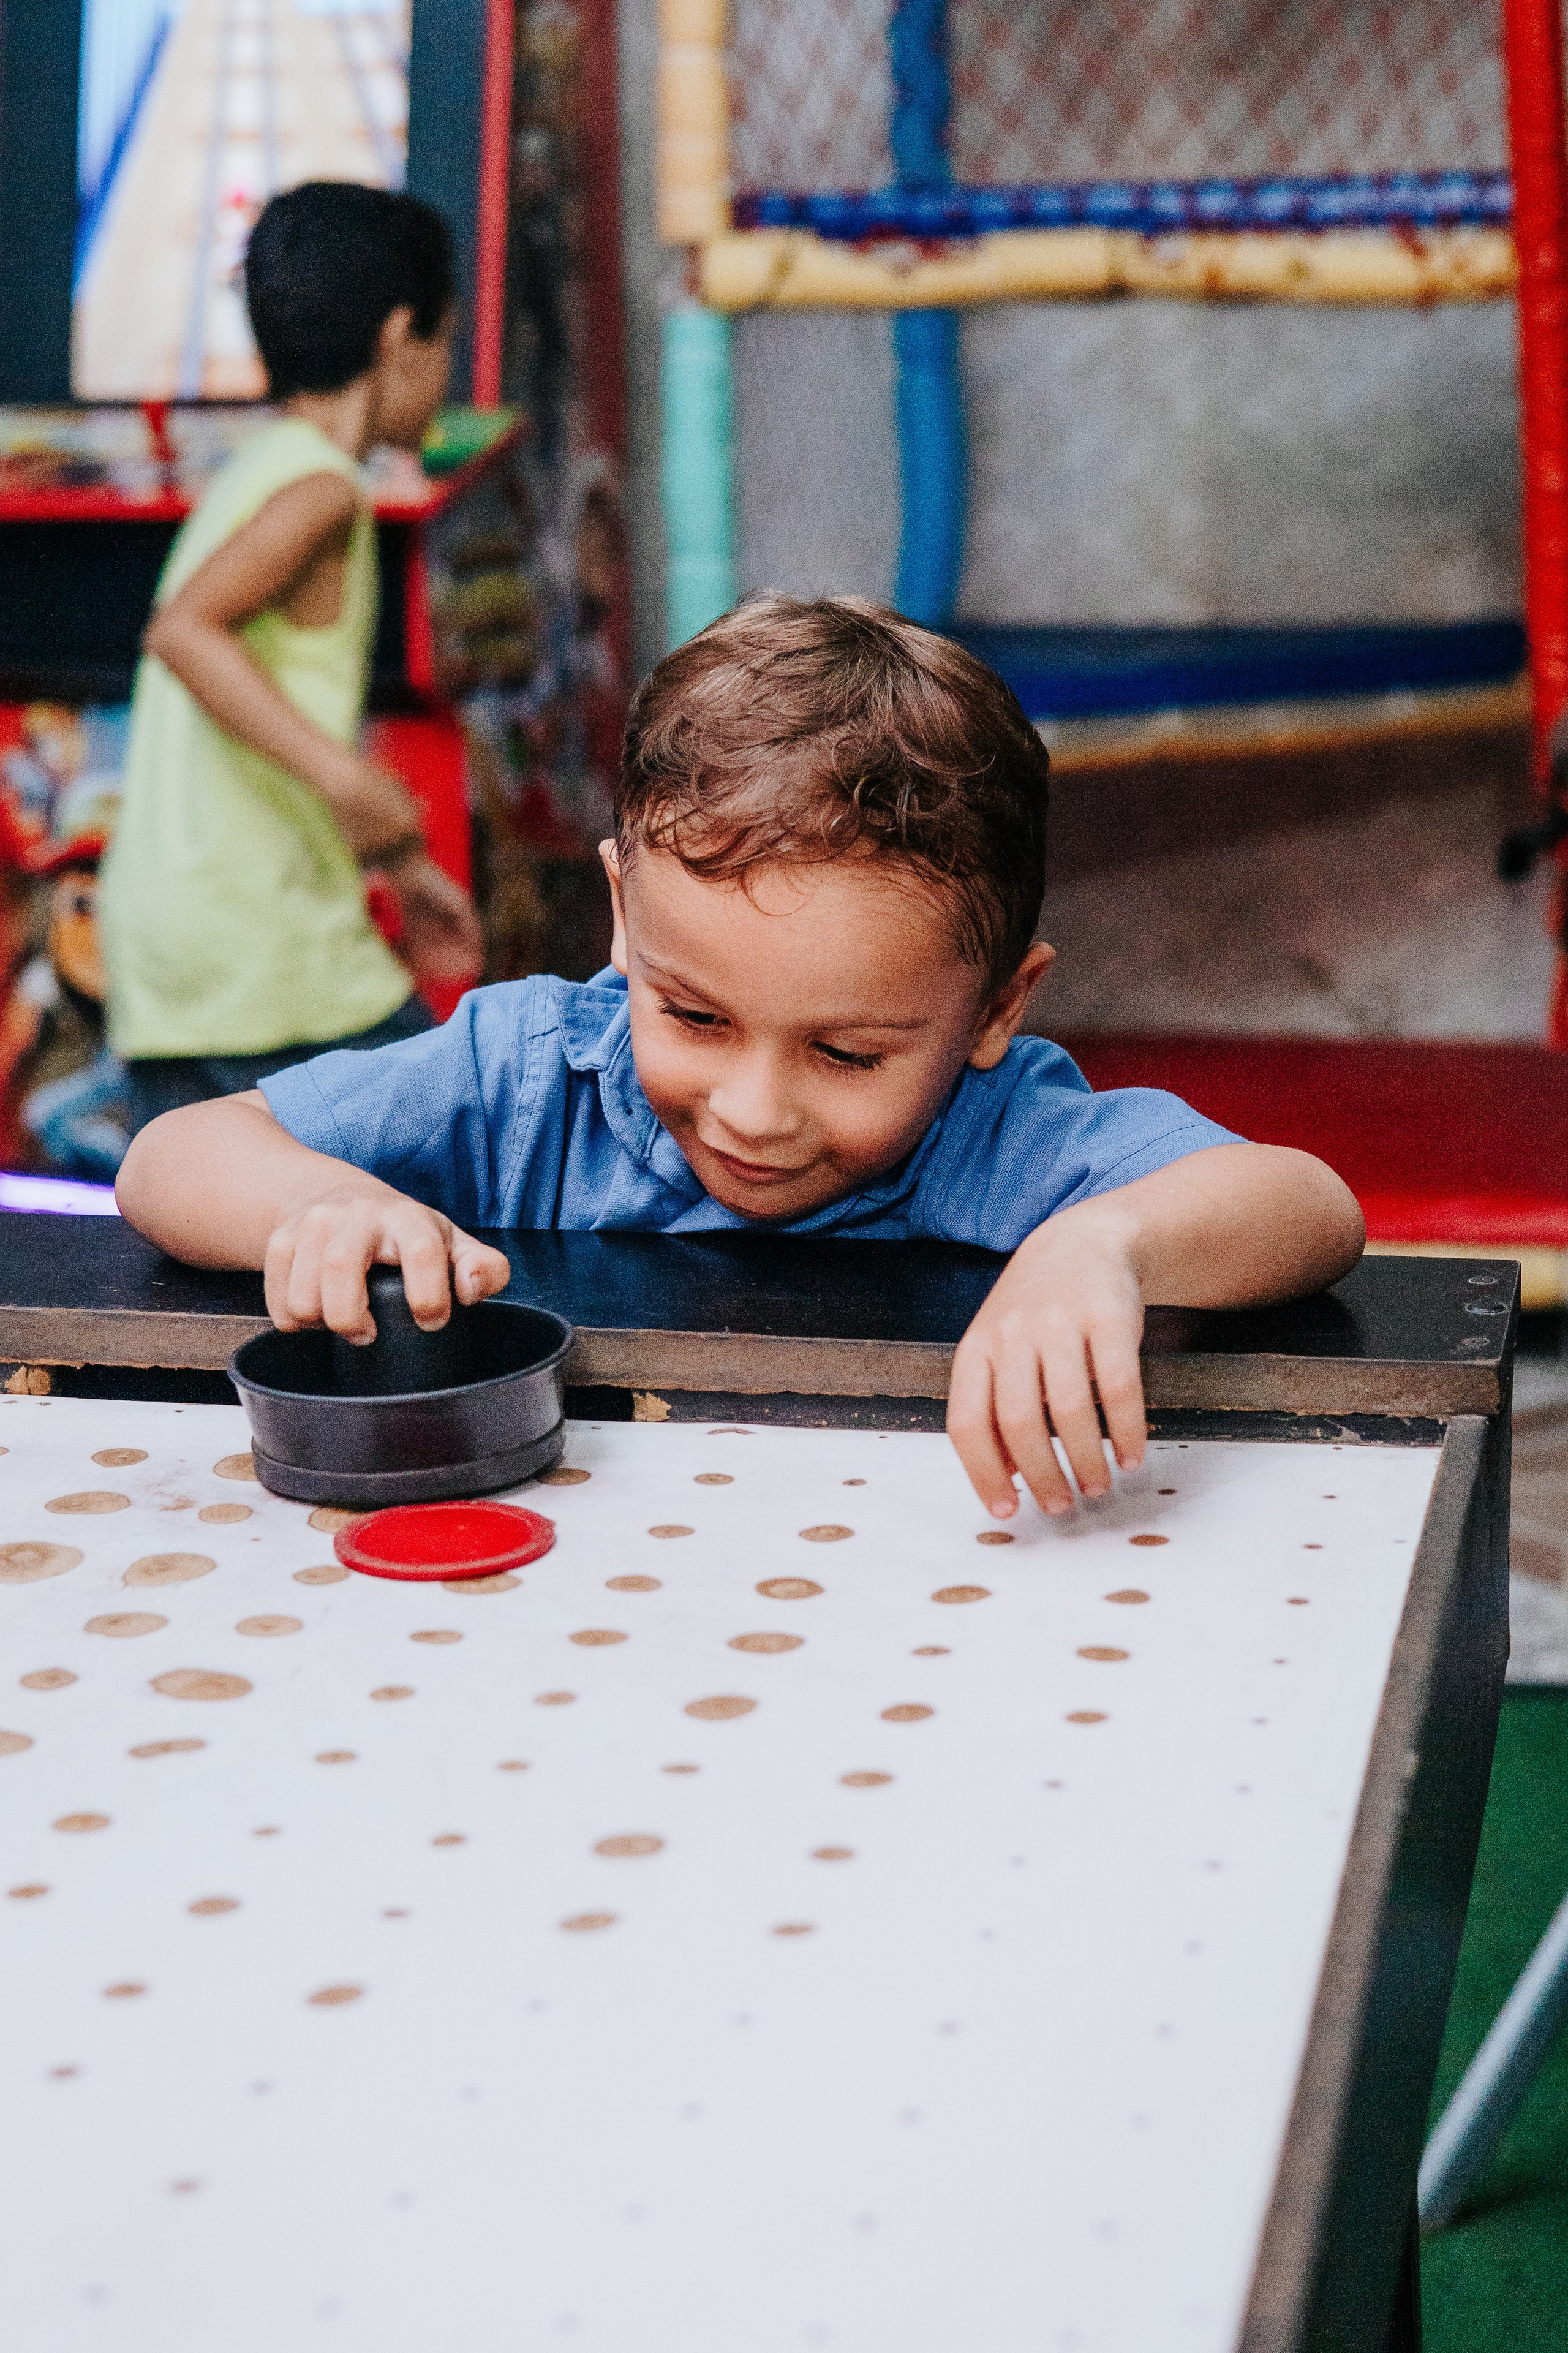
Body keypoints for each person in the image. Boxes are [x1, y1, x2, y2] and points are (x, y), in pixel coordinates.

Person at [116, 597, 1364, 1519]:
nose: (755, 1109)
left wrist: (1101, 1245)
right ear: (622, 919)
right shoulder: (528, 1074)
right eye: (695, 1017)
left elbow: (1311, 1209)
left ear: (995, 1008)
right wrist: (323, 1202)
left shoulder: (994, 1127)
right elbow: (171, 1156)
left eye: (844, 1051)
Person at [99, 182, 481, 1135]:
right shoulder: (319, 491)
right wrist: (350, 781)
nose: (448, 371)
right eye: (446, 344)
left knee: (230, 1244)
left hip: (179, 953)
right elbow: (186, 631)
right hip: (259, 954)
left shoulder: (258, 469)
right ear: (400, 340)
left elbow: (258, 708)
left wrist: (401, 861)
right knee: (458, 1149)